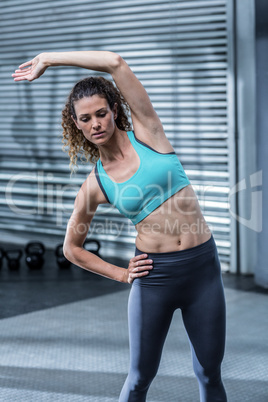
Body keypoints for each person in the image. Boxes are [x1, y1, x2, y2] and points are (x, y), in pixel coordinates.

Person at [12, 50, 227, 402]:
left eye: (101, 113)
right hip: (154, 278)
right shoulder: (95, 184)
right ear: (76, 124)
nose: (96, 124)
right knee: (141, 377)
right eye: (86, 118)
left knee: (209, 372)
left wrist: (49, 59)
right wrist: (121, 274)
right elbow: (71, 248)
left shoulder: (148, 134)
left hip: (203, 268)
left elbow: (115, 63)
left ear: (114, 110)